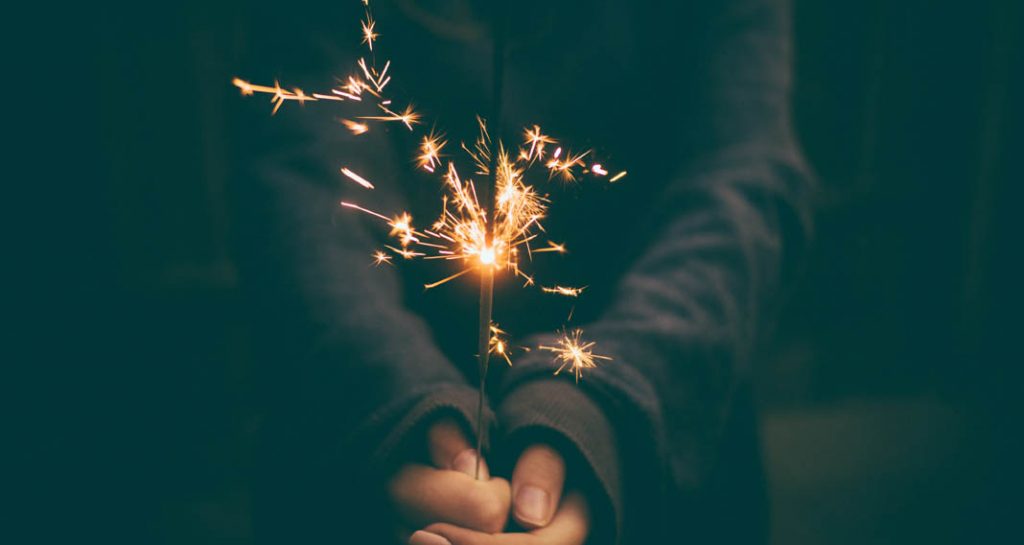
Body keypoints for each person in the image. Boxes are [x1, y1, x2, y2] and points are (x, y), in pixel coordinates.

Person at [236, 1, 812, 543]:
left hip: (656, 442)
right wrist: (401, 406)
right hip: (364, 455)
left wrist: (597, 408)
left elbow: (740, 183)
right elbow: (304, 192)